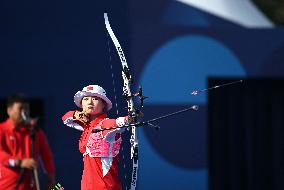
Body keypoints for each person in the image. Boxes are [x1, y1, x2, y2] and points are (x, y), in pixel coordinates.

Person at [62, 85, 129, 190]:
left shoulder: (105, 124)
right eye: (86, 99)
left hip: (105, 187)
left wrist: (129, 118)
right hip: (87, 186)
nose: (90, 102)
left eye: (95, 99)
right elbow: (65, 118)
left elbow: (118, 123)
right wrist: (75, 114)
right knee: (56, 187)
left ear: (103, 105)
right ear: (82, 104)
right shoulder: (86, 126)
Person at [0, 93, 56, 190]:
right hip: (7, 186)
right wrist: (20, 162)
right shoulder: (1, 130)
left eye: (26, 109)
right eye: (20, 108)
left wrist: (51, 180)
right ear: (9, 111)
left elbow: (47, 157)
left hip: (31, 185)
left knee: (59, 188)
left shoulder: (35, 131)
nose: (24, 112)